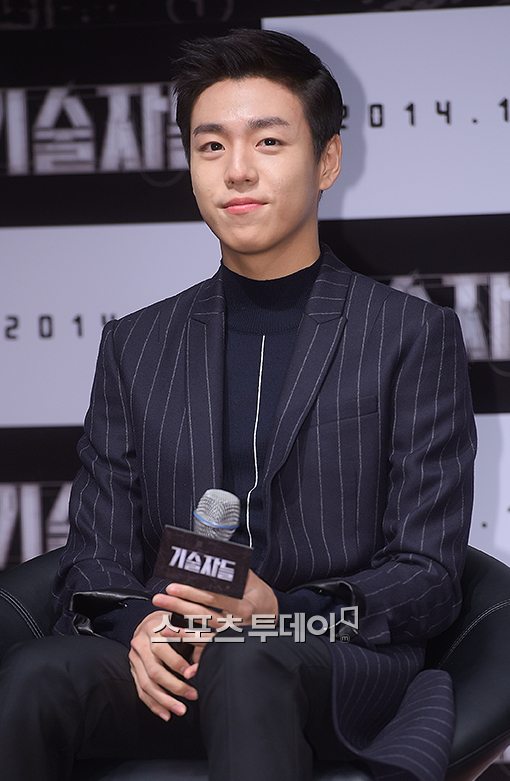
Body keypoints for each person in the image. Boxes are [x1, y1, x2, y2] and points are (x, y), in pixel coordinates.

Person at [0, 28, 476, 781]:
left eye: (269, 141)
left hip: (327, 652)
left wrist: (279, 614)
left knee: (250, 660)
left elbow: (426, 574)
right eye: (211, 145)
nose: (238, 170)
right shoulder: (135, 344)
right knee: (36, 675)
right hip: (174, 649)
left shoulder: (410, 335)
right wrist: (140, 625)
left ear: (327, 160)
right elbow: (95, 552)